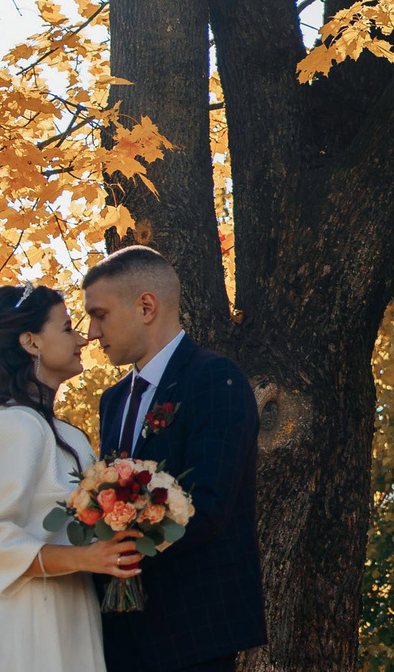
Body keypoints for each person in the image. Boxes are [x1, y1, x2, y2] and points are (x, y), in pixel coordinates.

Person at [0, 284, 142, 672]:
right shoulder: (15, 426)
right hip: (23, 620)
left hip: (71, 610)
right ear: (31, 342)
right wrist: (84, 557)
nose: (83, 338)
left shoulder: (67, 435)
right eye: (67, 329)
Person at [82, 245, 267, 672]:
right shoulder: (112, 401)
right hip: (118, 636)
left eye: (100, 314)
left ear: (146, 306)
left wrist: (116, 540)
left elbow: (208, 506)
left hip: (193, 632)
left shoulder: (215, 379)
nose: (91, 332)